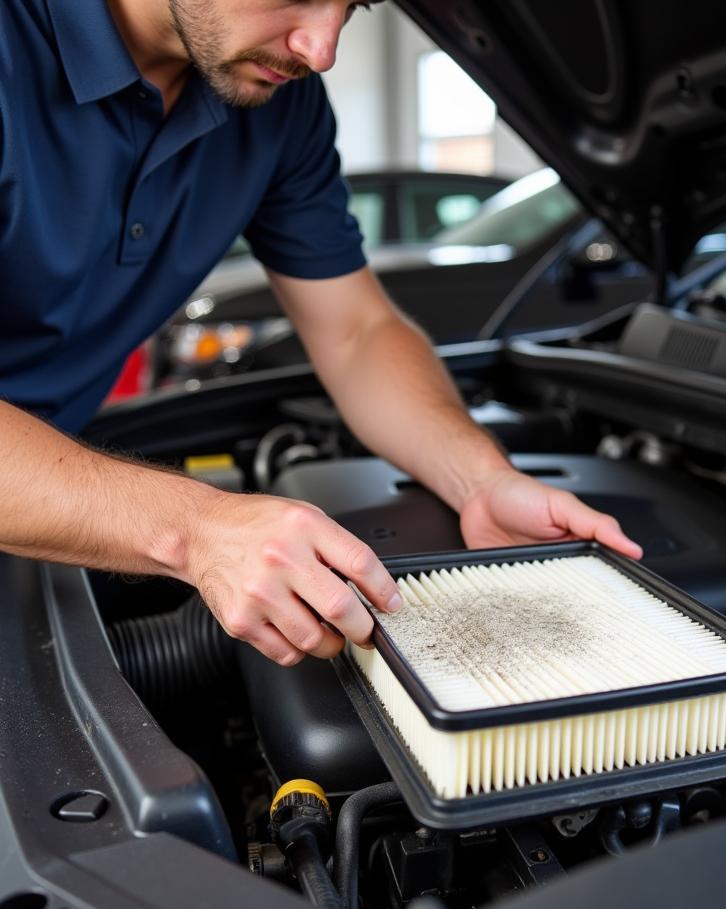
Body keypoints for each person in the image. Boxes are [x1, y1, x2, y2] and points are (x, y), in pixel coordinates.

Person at [0, 0, 642, 667]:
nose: (321, 48)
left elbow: (357, 331)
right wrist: (199, 528)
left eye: (354, 5)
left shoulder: (277, 103)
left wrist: (481, 479)